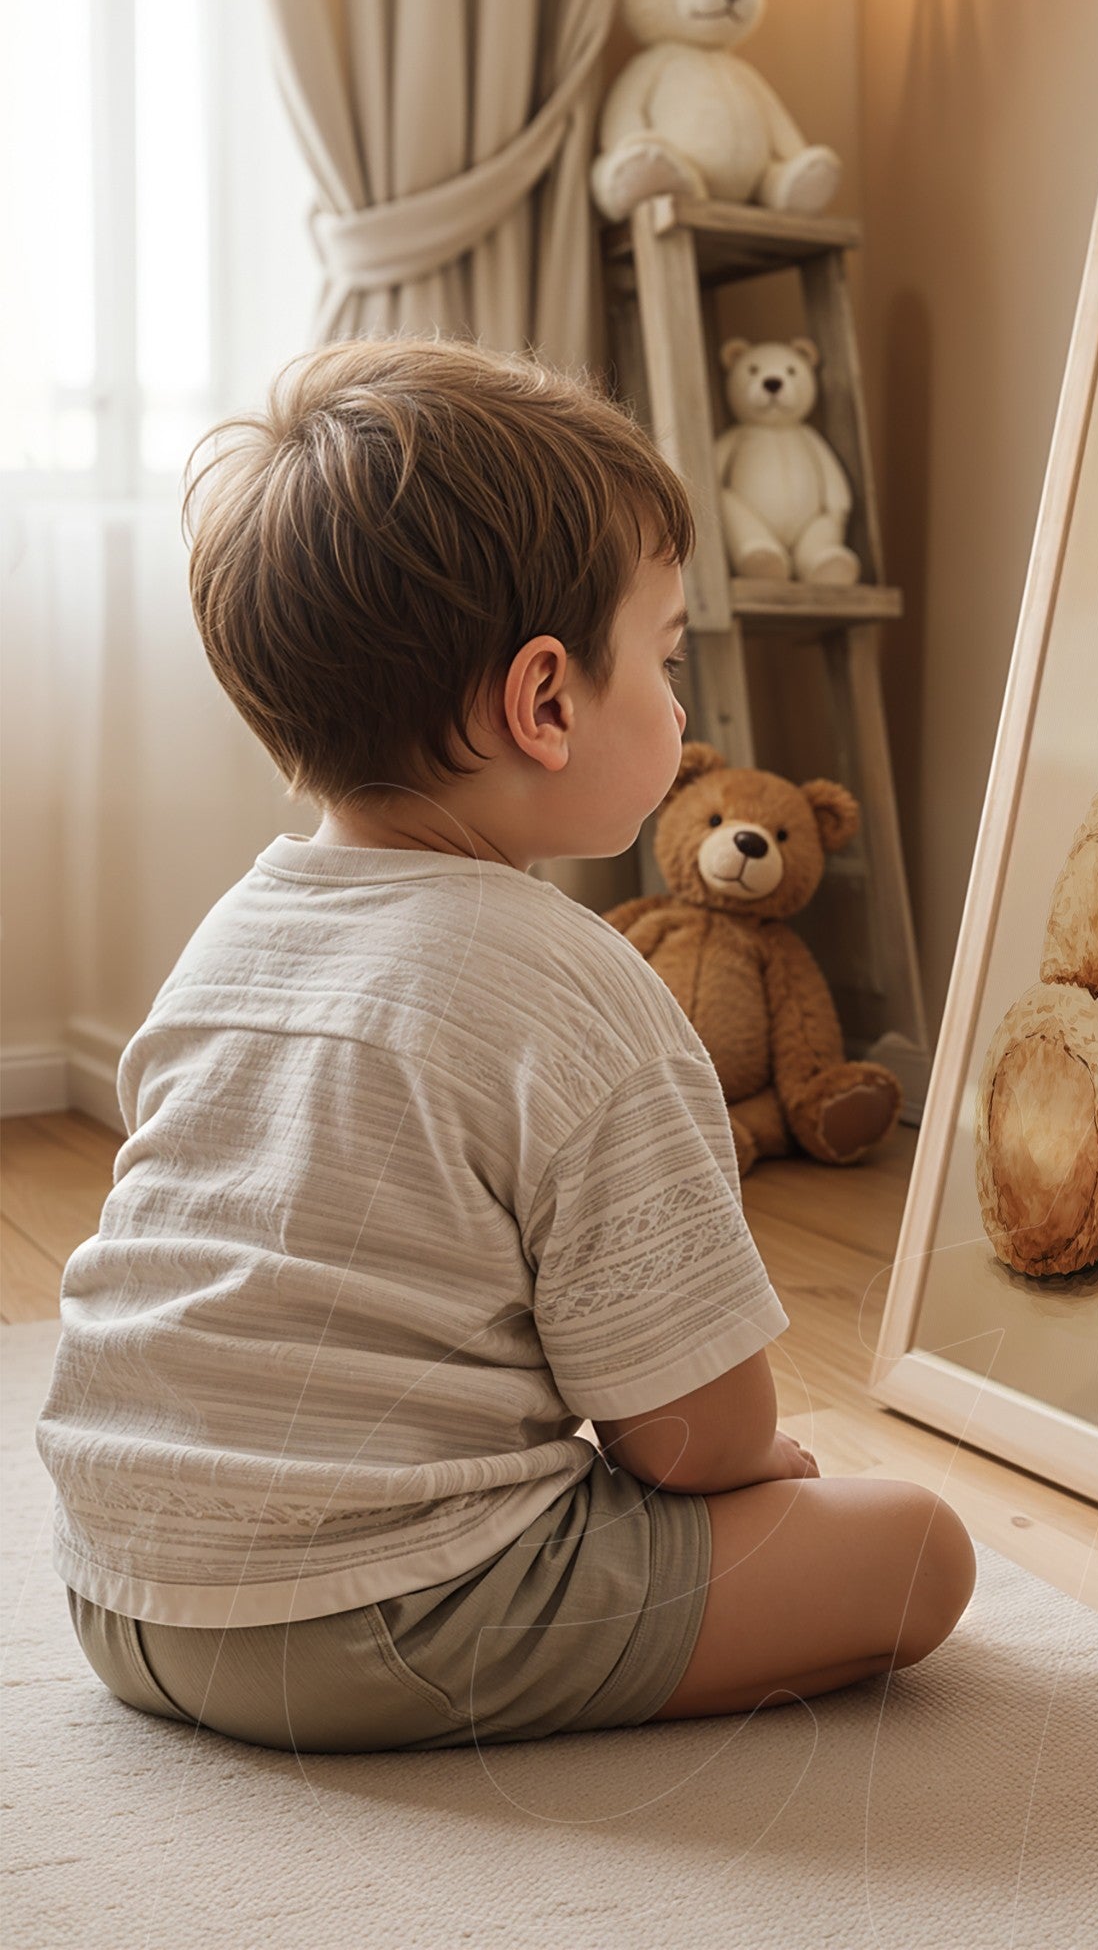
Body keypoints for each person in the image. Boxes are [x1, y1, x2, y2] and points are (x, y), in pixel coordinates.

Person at [34, 337, 974, 1753]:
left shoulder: (233, 933)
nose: (681, 711)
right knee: (917, 1548)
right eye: (663, 662)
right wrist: (760, 1470)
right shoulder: (576, 988)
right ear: (544, 705)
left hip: (119, 1591)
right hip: (368, 1618)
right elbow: (688, 1440)